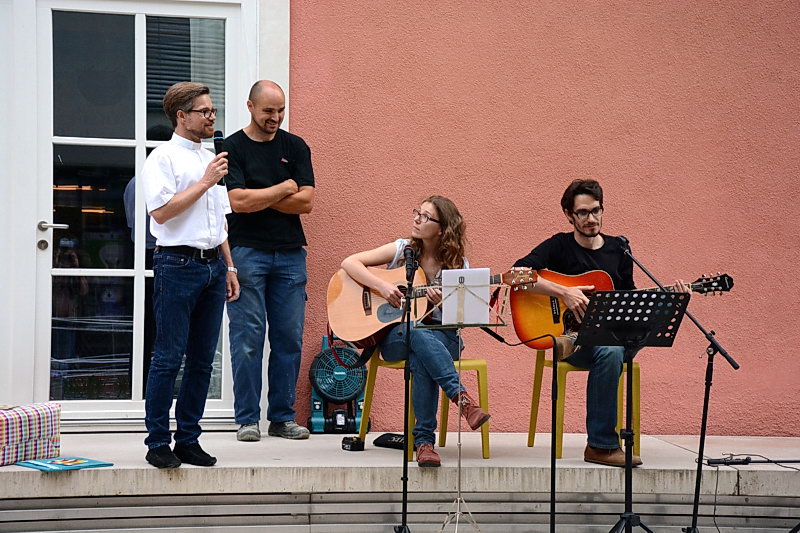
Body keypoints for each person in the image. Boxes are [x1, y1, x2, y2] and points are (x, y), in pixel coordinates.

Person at [513, 179, 688, 467]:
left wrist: (670, 299)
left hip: (613, 336)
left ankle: (602, 443)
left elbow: (630, 298)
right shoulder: (558, 246)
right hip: (578, 342)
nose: (591, 218)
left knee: (620, 342)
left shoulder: (619, 249)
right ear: (569, 215)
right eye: (583, 212)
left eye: (596, 210)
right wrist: (564, 292)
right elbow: (515, 275)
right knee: (610, 350)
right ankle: (600, 446)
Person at [341, 195, 490, 467]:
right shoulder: (403, 250)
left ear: (442, 229)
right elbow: (350, 263)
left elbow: (464, 319)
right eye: (417, 213)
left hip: (444, 337)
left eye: (425, 217)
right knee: (416, 331)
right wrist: (382, 286)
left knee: (421, 348)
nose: (417, 220)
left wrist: (442, 304)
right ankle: (461, 401)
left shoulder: (458, 266)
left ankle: (424, 443)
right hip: (397, 336)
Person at [140, 81, 240, 469]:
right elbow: (161, 212)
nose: (212, 117)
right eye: (205, 111)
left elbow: (220, 221)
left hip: (213, 266)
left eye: (213, 110)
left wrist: (229, 266)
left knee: (202, 361)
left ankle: (188, 439)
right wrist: (204, 182)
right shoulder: (162, 159)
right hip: (177, 265)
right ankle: (157, 442)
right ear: (182, 116)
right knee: (168, 358)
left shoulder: (210, 158)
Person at [224, 80, 315, 441]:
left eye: (280, 110)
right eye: (268, 111)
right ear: (250, 106)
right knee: (247, 338)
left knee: (289, 338)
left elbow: (306, 202)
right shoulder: (232, 148)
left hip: (291, 254)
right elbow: (238, 202)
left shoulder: (296, 146)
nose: (275, 117)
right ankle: (247, 419)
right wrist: (284, 187)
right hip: (247, 252)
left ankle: (282, 418)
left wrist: (259, 196)